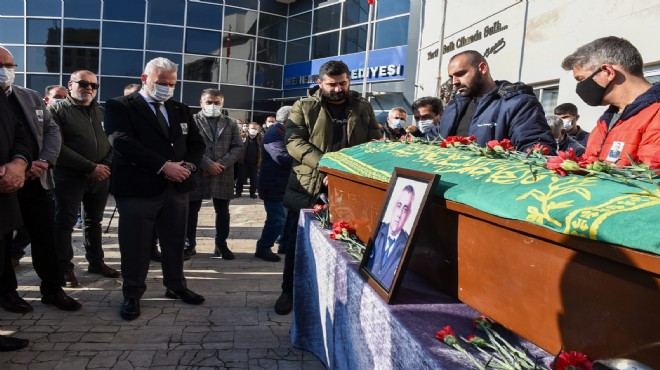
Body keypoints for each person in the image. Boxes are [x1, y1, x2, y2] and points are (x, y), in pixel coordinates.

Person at [274, 60, 381, 315]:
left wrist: (346, 174)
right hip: (309, 185)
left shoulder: (362, 107)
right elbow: (294, 142)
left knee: (347, 244)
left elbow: (374, 142)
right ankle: (288, 291)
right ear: (320, 83)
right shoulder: (304, 106)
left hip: (351, 185)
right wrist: (328, 167)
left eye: (342, 83)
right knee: (297, 243)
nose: (337, 89)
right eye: (331, 84)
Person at [104, 57, 206, 320]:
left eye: (172, 83)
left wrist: (190, 167)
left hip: (177, 187)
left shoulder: (180, 108)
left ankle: (176, 285)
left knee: (174, 241)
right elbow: (121, 141)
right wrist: (163, 166)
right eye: (161, 83)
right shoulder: (120, 105)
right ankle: (133, 293)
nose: (167, 88)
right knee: (136, 244)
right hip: (139, 188)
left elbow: (196, 143)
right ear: (144, 79)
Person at [0, 46, 81, 312]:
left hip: (36, 179)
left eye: (10, 65)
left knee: (46, 237)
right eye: (1, 65)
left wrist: (44, 161)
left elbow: (51, 130)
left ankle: (52, 289)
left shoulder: (30, 96)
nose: (6, 71)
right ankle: (8, 294)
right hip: (5, 183)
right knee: (4, 242)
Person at [50, 69, 119, 288]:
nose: (88, 88)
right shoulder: (56, 111)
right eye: (83, 83)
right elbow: (56, 146)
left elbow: (113, 141)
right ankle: (64, 268)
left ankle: (96, 262)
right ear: (70, 85)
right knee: (64, 223)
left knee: (93, 222)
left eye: (93, 85)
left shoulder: (103, 112)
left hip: (100, 177)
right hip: (69, 177)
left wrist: (105, 165)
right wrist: (90, 167)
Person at [561, 36, 660, 168]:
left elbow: (650, 178)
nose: (579, 87)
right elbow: (591, 166)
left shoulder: (655, 115)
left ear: (608, 72)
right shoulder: (605, 121)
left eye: (581, 79)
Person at [436, 50, 556, 152]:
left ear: (482, 68)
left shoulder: (518, 103)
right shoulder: (454, 106)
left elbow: (536, 149)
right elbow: (434, 138)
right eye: (451, 77)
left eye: (461, 74)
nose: (454, 82)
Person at [185, 88, 243, 260]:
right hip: (197, 171)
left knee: (223, 211)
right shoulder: (191, 121)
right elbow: (187, 146)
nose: (213, 105)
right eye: (209, 102)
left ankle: (221, 244)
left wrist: (221, 165)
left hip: (222, 173)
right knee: (191, 210)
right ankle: (189, 244)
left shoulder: (231, 122)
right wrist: (207, 164)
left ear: (222, 104)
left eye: (217, 103)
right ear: (201, 103)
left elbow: (238, 147)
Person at [0, 87, 31, 352]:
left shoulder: (2, 99)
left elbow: (20, 135)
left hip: (4, 196)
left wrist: (19, 163)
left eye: (9, 66)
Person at [254, 106, 294, 262]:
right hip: (272, 184)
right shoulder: (274, 134)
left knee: (286, 217)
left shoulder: (285, 132)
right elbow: (281, 157)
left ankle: (283, 244)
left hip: (283, 184)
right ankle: (263, 247)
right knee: (277, 218)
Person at [366, 184, 415, 289]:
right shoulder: (377, 230)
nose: (400, 214)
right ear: (393, 207)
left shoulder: (407, 245)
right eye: (399, 206)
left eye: (405, 209)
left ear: (408, 214)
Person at [235, 122, 262, 199]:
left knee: (254, 180)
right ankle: (238, 193)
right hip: (243, 162)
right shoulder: (242, 136)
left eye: (255, 128)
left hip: (255, 163)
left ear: (258, 129)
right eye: (251, 128)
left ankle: (252, 193)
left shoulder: (261, 138)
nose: (253, 130)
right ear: (248, 129)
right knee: (240, 179)